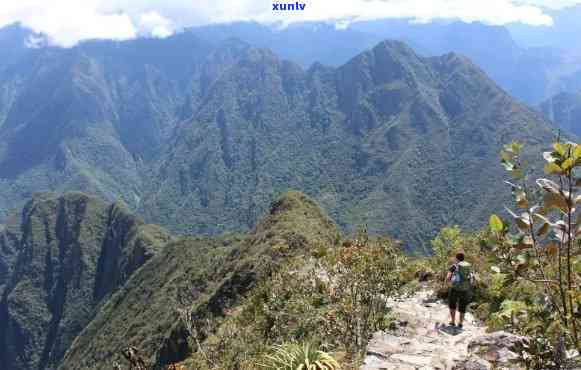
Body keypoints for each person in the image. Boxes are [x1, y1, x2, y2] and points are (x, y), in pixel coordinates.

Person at [447, 251, 473, 328]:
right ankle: (460, 323)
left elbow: (448, 277)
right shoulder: (468, 266)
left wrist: (449, 283)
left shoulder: (454, 266)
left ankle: (452, 321)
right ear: (463, 258)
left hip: (455, 289)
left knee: (452, 304)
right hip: (465, 289)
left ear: (456, 258)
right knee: (462, 306)